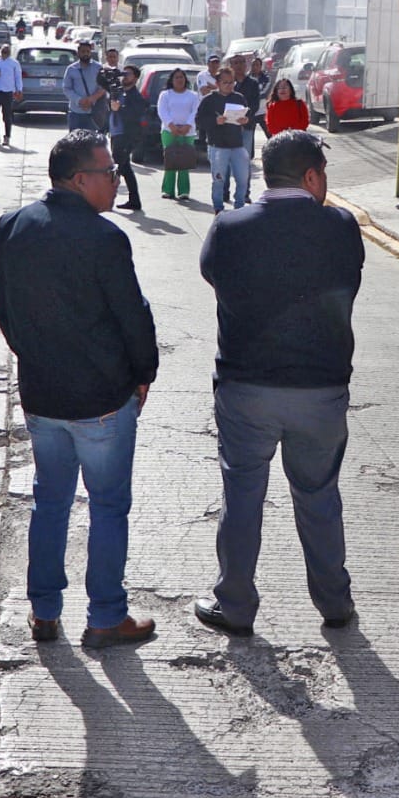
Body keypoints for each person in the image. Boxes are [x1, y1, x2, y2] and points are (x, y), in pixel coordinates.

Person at [0, 131, 159, 649]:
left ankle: (44, 612)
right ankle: (106, 617)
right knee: (107, 506)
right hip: (101, 399)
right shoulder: (104, 237)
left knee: (51, 502)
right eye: (108, 172)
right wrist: (143, 373)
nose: (115, 180)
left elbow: (3, 307)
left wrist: (33, 356)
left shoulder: (14, 225)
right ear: (79, 179)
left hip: (43, 395)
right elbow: (132, 317)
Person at [194, 130, 363, 637]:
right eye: (324, 175)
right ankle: (334, 603)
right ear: (311, 176)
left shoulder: (230, 226)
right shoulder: (340, 226)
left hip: (247, 386)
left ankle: (236, 605)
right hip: (321, 388)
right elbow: (349, 281)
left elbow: (213, 277)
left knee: (242, 494)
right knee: (318, 494)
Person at [196, 74, 248, 213]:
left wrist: (245, 120)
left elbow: (246, 115)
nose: (229, 85)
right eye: (225, 82)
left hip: (237, 144)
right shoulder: (209, 100)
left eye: (232, 82)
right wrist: (215, 121)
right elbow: (199, 121)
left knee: (243, 178)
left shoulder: (239, 98)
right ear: (218, 83)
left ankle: (240, 206)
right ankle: (218, 207)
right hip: (217, 145)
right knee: (219, 180)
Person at [107, 65, 146, 212]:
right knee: (125, 168)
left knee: (118, 167)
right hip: (116, 133)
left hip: (126, 135)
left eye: (128, 74)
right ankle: (134, 200)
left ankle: (109, 197)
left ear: (136, 78)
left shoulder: (136, 96)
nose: (125, 76)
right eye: (124, 73)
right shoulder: (119, 92)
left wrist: (119, 109)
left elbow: (135, 116)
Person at [157, 67, 200, 201]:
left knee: (184, 161)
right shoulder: (165, 95)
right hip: (169, 131)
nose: (179, 80)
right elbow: (162, 111)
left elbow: (195, 112)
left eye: (181, 77)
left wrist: (187, 125)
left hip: (188, 132)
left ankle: (184, 191)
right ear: (172, 80)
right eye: (176, 77)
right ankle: (168, 190)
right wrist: (172, 126)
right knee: (170, 160)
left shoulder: (193, 95)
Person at [62, 40, 109, 133]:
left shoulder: (98, 67)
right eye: (83, 52)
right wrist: (79, 100)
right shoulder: (71, 69)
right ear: (78, 53)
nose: (86, 54)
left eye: (88, 51)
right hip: (75, 113)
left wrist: (92, 99)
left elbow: (103, 87)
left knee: (92, 144)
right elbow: (66, 88)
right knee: (74, 143)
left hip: (94, 113)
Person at [0, 42, 22, 147]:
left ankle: (7, 137)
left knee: (7, 116)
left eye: (7, 51)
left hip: (8, 92)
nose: (5, 53)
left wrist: (19, 90)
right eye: (3, 51)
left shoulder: (14, 63)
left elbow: (18, 77)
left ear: (9, 52)